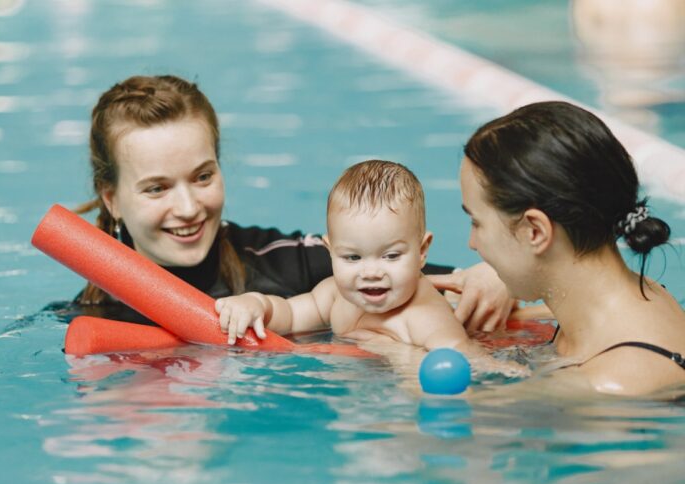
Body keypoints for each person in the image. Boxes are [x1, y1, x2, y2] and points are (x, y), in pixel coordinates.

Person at [71, 74, 515, 330]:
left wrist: (494, 277)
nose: (188, 207)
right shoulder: (96, 313)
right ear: (111, 199)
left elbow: (426, 274)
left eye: (203, 176)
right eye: (157, 188)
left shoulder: (289, 264)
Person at [214, 159, 527, 381]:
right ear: (330, 251)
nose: (371, 272)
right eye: (352, 258)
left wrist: (501, 372)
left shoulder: (424, 315)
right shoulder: (336, 295)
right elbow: (290, 315)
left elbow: (463, 358)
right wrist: (255, 303)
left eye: (390, 256)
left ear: (422, 252)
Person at [459, 100, 685, 395]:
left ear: (535, 231)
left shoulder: (606, 385)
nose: (471, 242)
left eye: (477, 222)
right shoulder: (644, 295)